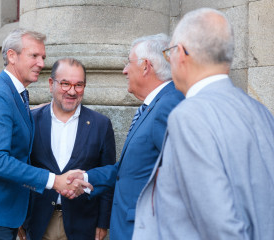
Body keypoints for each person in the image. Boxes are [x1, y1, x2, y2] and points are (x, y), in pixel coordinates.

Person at [133, 8, 274, 240]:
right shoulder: (261, 112)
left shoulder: (189, 116)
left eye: (168, 53)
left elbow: (220, 228)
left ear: (180, 54)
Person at [0, 29, 91, 240]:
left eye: (42, 57)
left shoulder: (13, 94)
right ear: (11, 56)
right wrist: (54, 181)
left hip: (1, 212)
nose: (41, 63)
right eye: (34, 56)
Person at [67, 34, 184, 240]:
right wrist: (86, 178)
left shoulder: (168, 105)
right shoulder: (154, 106)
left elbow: (182, 174)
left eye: (128, 63)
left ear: (146, 66)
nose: (124, 70)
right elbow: (130, 170)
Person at [18, 58, 116, 240]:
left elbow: (108, 175)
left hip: (83, 223)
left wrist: (103, 222)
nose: (72, 91)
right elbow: (20, 169)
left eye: (79, 85)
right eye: (65, 84)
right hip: (38, 221)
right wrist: (19, 218)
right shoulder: (31, 121)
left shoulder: (101, 124)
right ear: (51, 84)